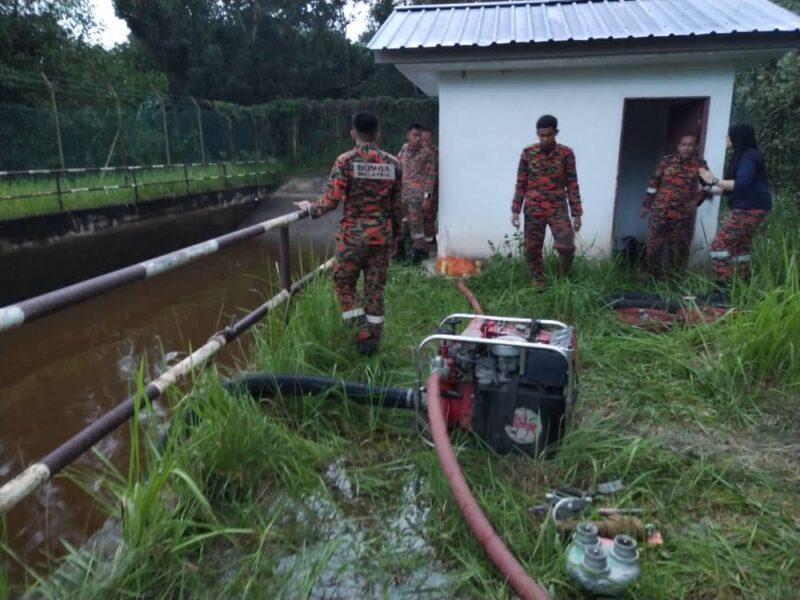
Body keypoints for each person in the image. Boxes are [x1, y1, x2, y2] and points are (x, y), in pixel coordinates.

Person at [295, 111, 402, 356]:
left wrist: (311, 209)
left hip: (352, 238)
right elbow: (397, 207)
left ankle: (360, 332)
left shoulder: (346, 161)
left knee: (344, 282)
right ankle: (374, 338)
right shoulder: (394, 163)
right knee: (375, 288)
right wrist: (396, 237)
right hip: (381, 237)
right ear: (377, 133)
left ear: (354, 132)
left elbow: (332, 200)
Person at [511, 114, 582, 287]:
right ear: (537, 134)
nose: (544, 139)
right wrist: (515, 210)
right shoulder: (528, 153)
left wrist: (577, 213)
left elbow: (572, 184)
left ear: (555, 132)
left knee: (566, 246)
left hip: (557, 208)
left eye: (548, 135)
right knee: (532, 248)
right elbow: (521, 182)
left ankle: (561, 277)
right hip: (534, 208)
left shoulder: (566, 154)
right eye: (541, 135)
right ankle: (538, 279)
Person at [698, 123, 772, 281]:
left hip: (749, 208)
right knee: (740, 248)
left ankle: (724, 285)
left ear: (737, 137)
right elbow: (735, 188)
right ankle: (743, 283)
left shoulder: (749, 156)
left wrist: (712, 180)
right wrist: (710, 190)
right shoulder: (748, 155)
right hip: (755, 206)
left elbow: (741, 184)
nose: (726, 138)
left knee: (719, 244)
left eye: (729, 135)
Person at [640, 134, 708, 277]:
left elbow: (708, 186)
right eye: (683, 145)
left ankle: (673, 280)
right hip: (660, 212)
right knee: (653, 246)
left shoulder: (700, 164)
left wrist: (696, 202)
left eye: (690, 145)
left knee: (677, 249)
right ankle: (652, 276)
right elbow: (654, 184)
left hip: (681, 215)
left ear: (695, 147)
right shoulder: (667, 161)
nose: (686, 148)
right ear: (678, 146)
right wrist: (646, 205)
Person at [397, 123, 436, 264]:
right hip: (403, 196)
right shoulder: (404, 149)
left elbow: (430, 177)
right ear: (408, 136)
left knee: (416, 226)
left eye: (419, 135)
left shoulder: (427, 154)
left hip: (417, 198)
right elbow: (397, 166)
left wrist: (427, 197)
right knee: (402, 224)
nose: (418, 138)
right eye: (415, 135)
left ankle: (419, 255)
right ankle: (399, 253)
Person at [421, 126, 439, 253]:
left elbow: (437, 172)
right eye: (424, 140)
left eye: (428, 140)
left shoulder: (436, 152)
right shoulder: (413, 151)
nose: (426, 142)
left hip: (433, 189)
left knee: (430, 216)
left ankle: (430, 242)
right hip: (416, 191)